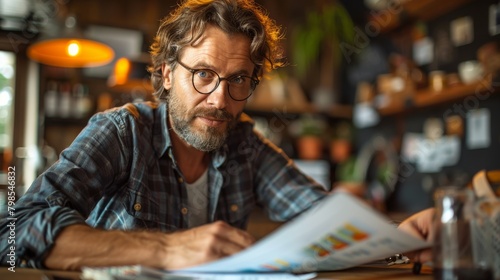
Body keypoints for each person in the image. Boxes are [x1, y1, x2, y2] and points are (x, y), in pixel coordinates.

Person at [0, 0, 434, 271]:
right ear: (167, 74)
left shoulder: (246, 143)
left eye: (238, 80)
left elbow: (322, 220)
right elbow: (14, 230)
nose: (220, 100)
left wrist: (401, 237)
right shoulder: (122, 131)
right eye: (203, 74)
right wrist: (165, 251)